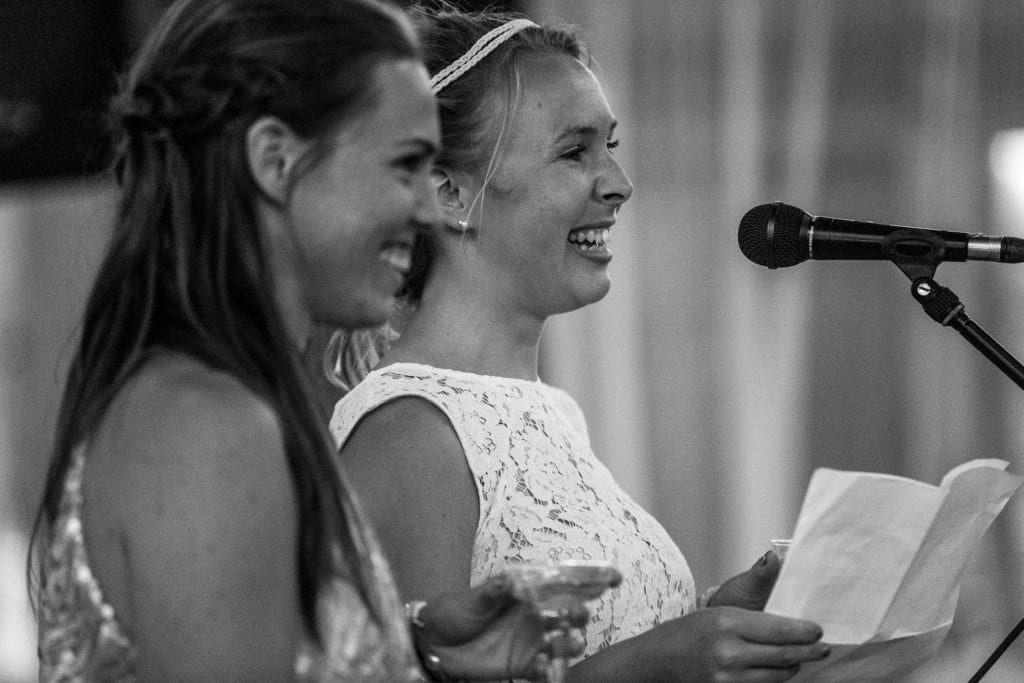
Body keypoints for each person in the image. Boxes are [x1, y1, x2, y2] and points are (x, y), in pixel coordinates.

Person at [27, 0, 589, 680]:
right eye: (404, 165)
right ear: (275, 160)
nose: (425, 209)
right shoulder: (206, 425)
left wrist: (417, 648)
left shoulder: (221, 400)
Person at [329, 3, 832, 681]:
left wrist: (712, 620)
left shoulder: (553, 413)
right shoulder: (413, 429)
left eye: (611, 148)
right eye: (574, 152)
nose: (620, 185)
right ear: (449, 193)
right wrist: (649, 667)